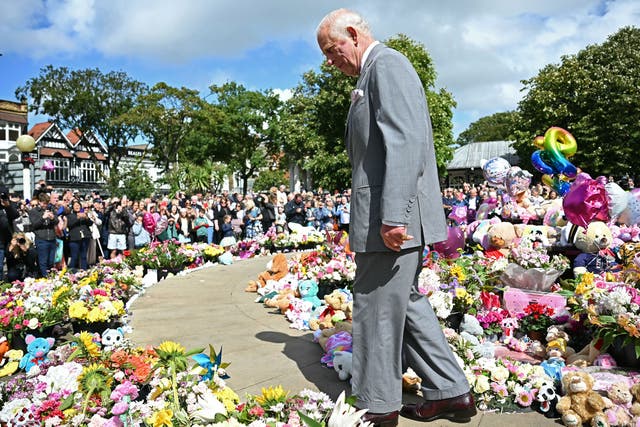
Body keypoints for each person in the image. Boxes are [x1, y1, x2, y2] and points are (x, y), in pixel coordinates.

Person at [316, 9, 475, 426]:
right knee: (402, 303)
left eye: (332, 51)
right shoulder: (373, 74)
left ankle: (377, 405)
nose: (331, 63)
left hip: (389, 218)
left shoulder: (387, 65)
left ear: (352, 34)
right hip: (386, 215)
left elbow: (406, 142)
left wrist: (392, 216)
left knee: (373, 307)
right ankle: (451, 392)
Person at [29, 192, 58, 277]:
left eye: (47, 203)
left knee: (51, 261)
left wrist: (53, 218)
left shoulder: (51, 209)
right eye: (44, 203)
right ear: (40, 202)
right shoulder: (33, 211)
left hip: (52, 239)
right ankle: (45, 278)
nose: (46, 205)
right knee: (43, 261)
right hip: (41, 239)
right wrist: (42, 218)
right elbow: (34, 225)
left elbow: (57, 221)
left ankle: (50, 277)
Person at [66, 200, 93, 270]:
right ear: (73, 207)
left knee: (84, 256)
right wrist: (77, 218)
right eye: (75, 206)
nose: (77, 207)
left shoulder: (84, 214)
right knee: (74, 256)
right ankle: (71, 271)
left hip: (85, 237)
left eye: (78, 205)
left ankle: (84, 271)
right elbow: (69, 224)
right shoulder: (70, 216)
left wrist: (86, 218)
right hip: (74, 238)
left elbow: (91, 223)